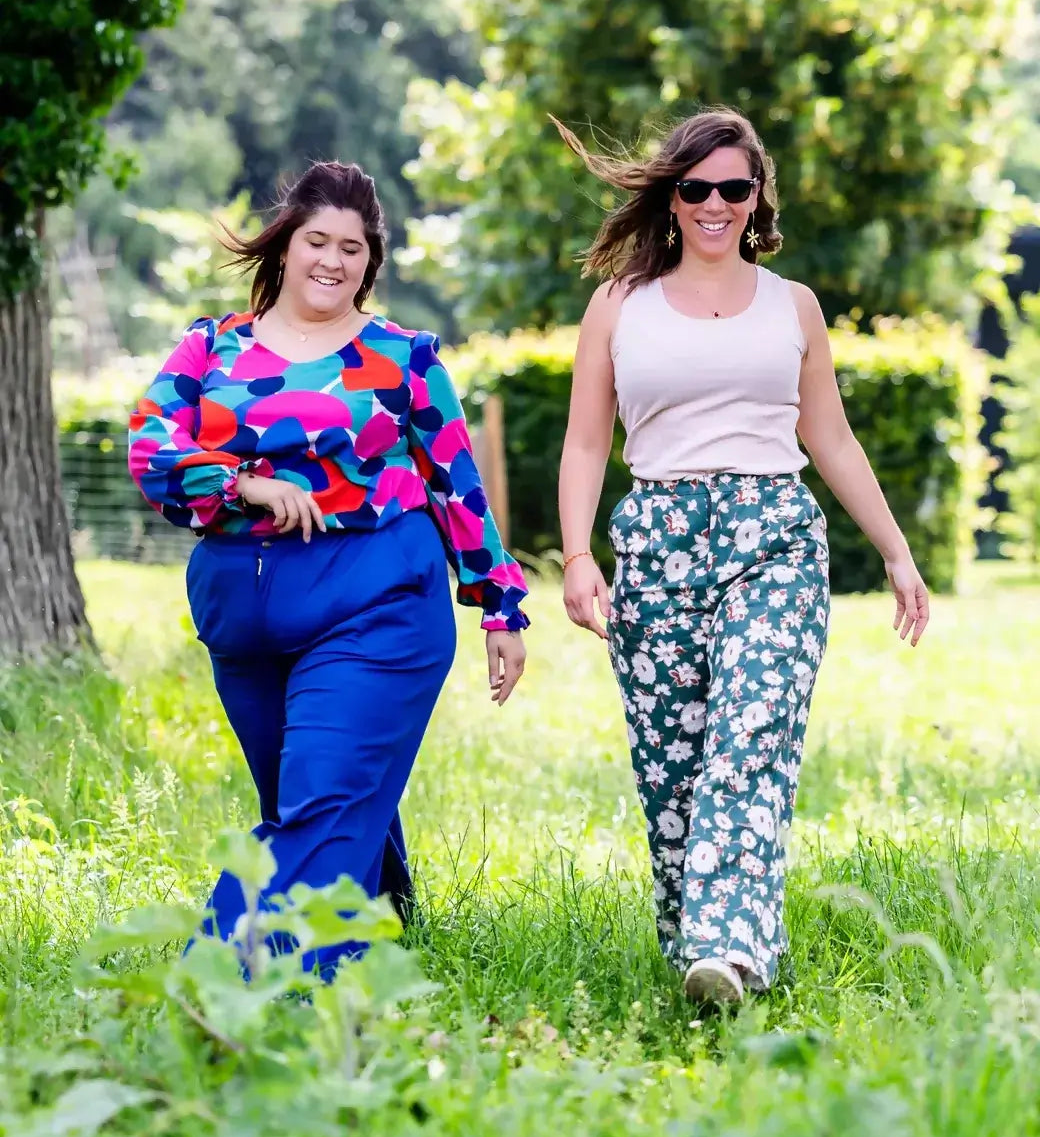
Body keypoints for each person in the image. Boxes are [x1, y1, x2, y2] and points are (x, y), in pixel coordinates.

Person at [555, 109, 929, 1006]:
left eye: (735, 187)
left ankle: (731, 947)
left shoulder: (791, 305)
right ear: (672, 198)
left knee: (748, 738)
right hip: (656, 540)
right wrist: (576, 554)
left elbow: (830, 437)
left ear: (757, 195)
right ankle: (712, 943)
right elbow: (581, 444)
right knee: (672, 774)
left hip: (773, 535)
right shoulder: (617, 304)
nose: (716, 203)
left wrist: (896, 551)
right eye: (697, 188)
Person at [128, 160, 528, 976]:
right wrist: (241, 482)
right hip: (243, 615)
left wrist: (500, 606)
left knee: (318, 805)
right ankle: (387, 938)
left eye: (353, 247)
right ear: (286, 243)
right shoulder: (211, 347)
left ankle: (233, 988)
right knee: (310, 801)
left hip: (375, 601)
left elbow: (457, 484)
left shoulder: (400, 359)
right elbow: (149, 446)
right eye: (318, 240)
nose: (333, 260)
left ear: (370, 261)